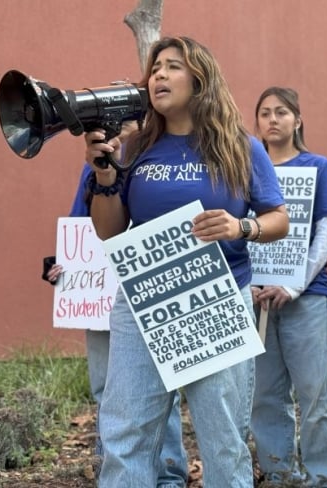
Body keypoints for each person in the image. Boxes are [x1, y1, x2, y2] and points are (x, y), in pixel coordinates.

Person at [83, 36, 289, 487]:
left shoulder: (240, 146)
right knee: (126, 433)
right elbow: (109, 230)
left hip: (215, 299)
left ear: (200, 81)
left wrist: (241, 227)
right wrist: (103, 176)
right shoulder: (129, 146)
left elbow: (278, 218)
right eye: (155, 68)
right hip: (144, 301)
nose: (158, 75)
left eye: (172, 67)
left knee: (223, 439)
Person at [41, 163, 188, 487]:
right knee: (106, 388)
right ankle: (113, 467)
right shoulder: (93, 166)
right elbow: (81, 223)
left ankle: (168, 475)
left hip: (150, 288)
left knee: (161, 388)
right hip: (98, 295)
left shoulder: (155, 159)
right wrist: (63, 264)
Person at [250, 87, 327, 486]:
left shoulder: (317, 166)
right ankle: (279, 476)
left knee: (314, 398)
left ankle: (325, 479)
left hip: (307, 299)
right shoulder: (245, 169)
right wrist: (249, 285)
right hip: (255, 301)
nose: (273, 119)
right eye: (265, 113)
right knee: (264, 397)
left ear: (297, 120)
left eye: (282, 112)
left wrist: (293, 285)